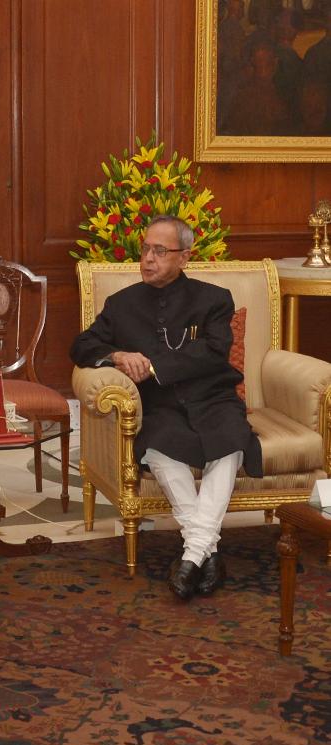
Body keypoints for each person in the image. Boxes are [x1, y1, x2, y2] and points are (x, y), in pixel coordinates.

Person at [70, 215, 261, 601]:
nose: (148, 258)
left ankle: (192, 554)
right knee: (158, 447)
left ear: (184, 257)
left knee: (230, 444)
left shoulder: (214, 299)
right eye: (145, 249)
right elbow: (81, 346)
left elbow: (214, 351)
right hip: (160, 405)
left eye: (160, 251)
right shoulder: (121, 304)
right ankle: (205, 554)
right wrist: (117, 355)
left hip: (213, 398)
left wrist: (154, 366)